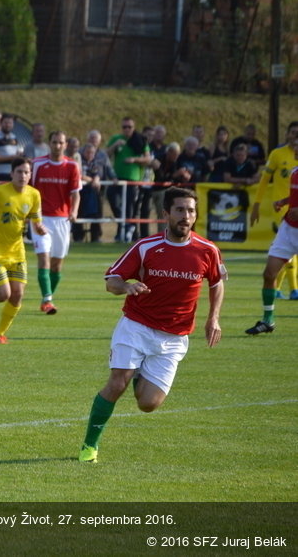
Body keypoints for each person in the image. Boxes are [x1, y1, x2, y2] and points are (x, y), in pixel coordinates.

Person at [79, 186, 225, 463]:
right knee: (116, 383)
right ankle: (89, 447)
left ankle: (138, 373)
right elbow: (112, 281)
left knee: (148, 404)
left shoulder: (207, 251)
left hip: (174, 338)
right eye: (180, 210)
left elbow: (217, 283)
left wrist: (213, 318)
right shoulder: (145, 247)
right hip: (136, 326)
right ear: (166, 214)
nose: (186, 216)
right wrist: (127, 286)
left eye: (191, 211)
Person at [0, 157, 45, 344]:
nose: (23, 175)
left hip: (17, 251)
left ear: (31, 175)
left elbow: (36, 220)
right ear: (12, 174)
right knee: (3, 295)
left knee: (18, 294)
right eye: (19, 172)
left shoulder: (34, 195)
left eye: (26, 172)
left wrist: (40, 227)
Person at [246, 139, 298, 334]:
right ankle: (268, 320)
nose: (295, 147)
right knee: (269, 274)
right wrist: (285, 201)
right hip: (289, 229)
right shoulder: (294, 173)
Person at [31, 131, 81, 314]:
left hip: (62, 219)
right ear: (49, 143)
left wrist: (74, 211)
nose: (57, 146)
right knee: (44, 258)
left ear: (65, 144)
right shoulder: (37, 164)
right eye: (54, 142)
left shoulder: (72, 166)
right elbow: (29, 191)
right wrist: (31, 216)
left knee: (56, 264)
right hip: (40, 218)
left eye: (60, 143)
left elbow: (75, 193)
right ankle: (47, 300)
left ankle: (48, 296)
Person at [106, 117, 152, 242]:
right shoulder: (116, 138)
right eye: (124, 127)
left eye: (129, 127)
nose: (127, 129)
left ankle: (127, 232)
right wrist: (115, 145)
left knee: (130, 207)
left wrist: (134, 160)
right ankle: (125, 225)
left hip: (133, 179)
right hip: (117, 178)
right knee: (112, 197)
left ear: (134, 127)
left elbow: (148, 159)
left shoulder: (140, 140)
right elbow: (105, 155)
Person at [73, 142, 114, 243]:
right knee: (78, 214)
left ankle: (95, 237)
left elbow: (97, 174)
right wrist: (91, 180)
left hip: (92, 194)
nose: (90, 154)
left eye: (92, 153)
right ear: (83, 152)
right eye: (88, 152)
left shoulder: (95, 163)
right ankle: (78, 237)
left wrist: (96, 178)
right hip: (79, 192)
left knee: (96, 214)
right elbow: (78, 174)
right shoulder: (79, 160)